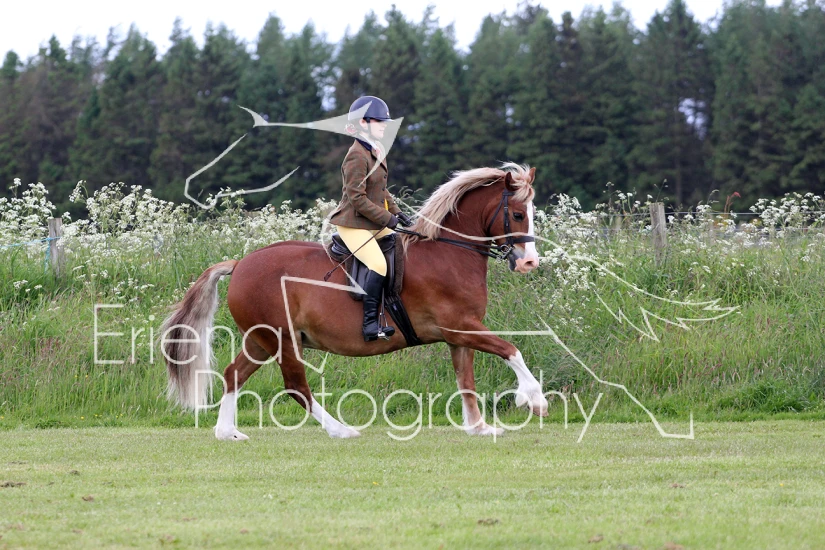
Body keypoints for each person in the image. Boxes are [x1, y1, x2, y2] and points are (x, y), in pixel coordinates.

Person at [328, 95, 413, 341]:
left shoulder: (376, 150)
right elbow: (357, 198)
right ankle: (369, 325)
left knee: (404, 244)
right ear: (363, 123)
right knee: (378, 264)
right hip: (353, 224)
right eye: (379, 121)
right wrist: (387, 218)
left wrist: (397, 212)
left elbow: (382, 191)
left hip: (372, 222)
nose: (385, 125)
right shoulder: (356, 155)